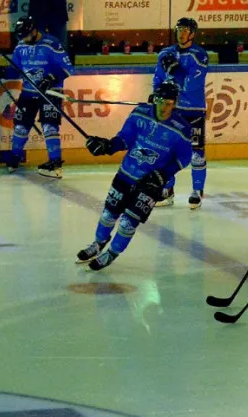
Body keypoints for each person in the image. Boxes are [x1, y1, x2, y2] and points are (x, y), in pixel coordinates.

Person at [76, 82, 193, 271]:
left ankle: (112, 253)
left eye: (169, 103)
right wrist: (108, 146)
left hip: (150, 185)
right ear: (154, 98)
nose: (163, 107)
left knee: (128, 223)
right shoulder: (140, 114)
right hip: (126, 174)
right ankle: (98, 243)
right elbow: (124, 138)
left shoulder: (181, 129)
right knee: (108, 214)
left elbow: (184, 158)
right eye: (160, 101)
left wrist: (162, 175)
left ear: (175, 103)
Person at [0, 16, 72, 178]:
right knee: (20, 126)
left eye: (25, 35)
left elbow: (67, 68)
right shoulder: (21, 46)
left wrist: (50, 79)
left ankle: (55, 162)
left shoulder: (52, 44)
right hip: (28, 92)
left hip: (50, 93)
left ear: (34, 30)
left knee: (49, 126)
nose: (23, 39)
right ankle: (15, 157)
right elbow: (15, 70)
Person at [153, 18, 209, 209]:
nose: (181, 33)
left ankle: (197, 191)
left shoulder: (199, 55)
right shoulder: (165, 53)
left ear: (193, 33)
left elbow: (192, 85)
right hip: (171, 110)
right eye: (179, 29)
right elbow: (158, 78)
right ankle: (167, 190)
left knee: (196, 153)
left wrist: (175, 71)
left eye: (185, 30)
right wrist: (156, 95)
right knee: (166, 151)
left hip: (193, 110)